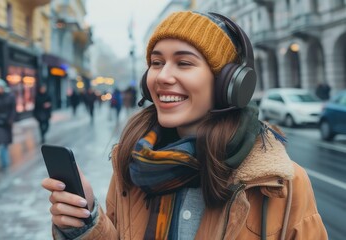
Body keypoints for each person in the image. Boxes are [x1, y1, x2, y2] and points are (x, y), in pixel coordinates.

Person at [42, 11, 327, 239]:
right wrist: (86, 223)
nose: (162, 76)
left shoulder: (280, 184)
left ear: (229, 83)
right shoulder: (130, 164)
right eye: (156, 62)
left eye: (184, 63)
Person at [0, 78, 16, 169]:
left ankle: (6, 160)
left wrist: (11, 119)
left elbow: (13, 109)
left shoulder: (10, 96)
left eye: (1, 87)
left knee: (5, 143)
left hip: (7, 123)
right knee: (1, 144)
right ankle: (5, 164)